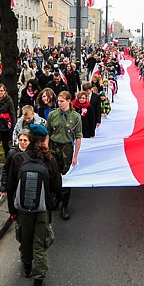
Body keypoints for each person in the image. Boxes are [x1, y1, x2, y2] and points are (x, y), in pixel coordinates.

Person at [2, 123, 62, 286]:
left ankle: (27, 266)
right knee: (41, 245)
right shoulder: (50, 159)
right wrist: (50, 203)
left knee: (25, 238)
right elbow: (58, 188)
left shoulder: (19, 159)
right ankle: (38, 285)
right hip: (42, 211)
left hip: (22, 210)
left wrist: (12, 211)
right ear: (43, 141)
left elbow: (11, 187)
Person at [46, 90, 83, 221]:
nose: (59, 103)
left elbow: (78, 137)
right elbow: (48, 132)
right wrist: (46, 148)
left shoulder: (75, 117)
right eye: (58, 101)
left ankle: (64, 205)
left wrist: (75, 156)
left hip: (67, 148)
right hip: (54, 147)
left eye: (62, 101)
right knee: (53, 175)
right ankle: (55, 198)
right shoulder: (52, 115)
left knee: (66, 177)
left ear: (68, 101)